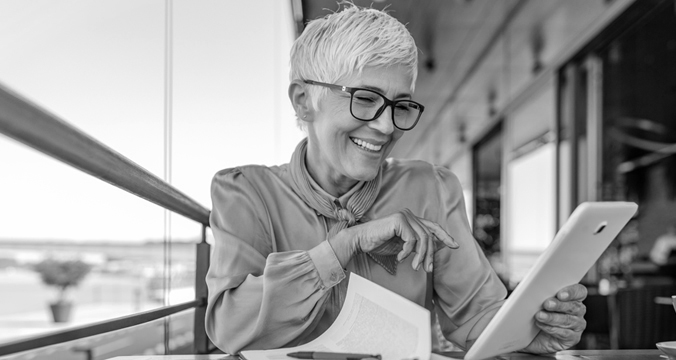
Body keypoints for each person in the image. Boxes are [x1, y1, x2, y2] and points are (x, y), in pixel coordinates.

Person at [205, 4, 586, 355]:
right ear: (304, 100)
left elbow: (475, 317)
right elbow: (229, 326)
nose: (386, 126)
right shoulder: (245, 193)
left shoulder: (432, 189)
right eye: (365, 99)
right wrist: (343, 245)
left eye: (399, 105)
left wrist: (531, 333)